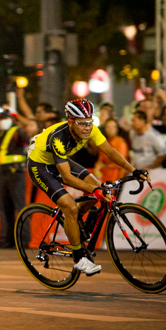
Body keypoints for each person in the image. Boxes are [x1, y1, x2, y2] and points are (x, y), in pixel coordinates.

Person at [27, 99, 148, 276]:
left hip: (58, 161)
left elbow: (110, 151)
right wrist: (94, 191)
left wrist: (133, 170)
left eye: (90, 122)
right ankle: (78, 259)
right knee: (69, 205)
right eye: (82, 123)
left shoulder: (90, 129)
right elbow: (67, 177)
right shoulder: (59, 138)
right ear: (70, 122)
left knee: (97, 187)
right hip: (40, 166)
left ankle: (77, 220)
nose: (87, 127)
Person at [0, 112, 31, 248]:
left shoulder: (18, 132)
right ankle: (7, 240)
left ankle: (24, 240)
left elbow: (30, 145)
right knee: (5, 208)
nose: (2, 121)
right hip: (2, 174)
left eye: (5, 119)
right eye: (1, 119)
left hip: (16, 173)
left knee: (20, 206)